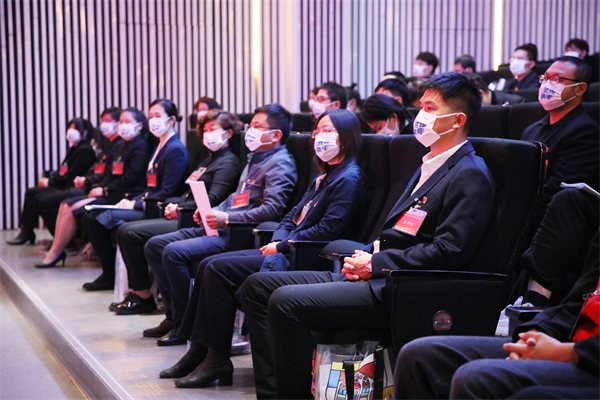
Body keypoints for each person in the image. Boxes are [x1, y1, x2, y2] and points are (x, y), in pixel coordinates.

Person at [240, 72, 496, 399]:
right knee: (258, 286)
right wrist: (365, 256)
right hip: (377, 270)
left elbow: (449, 250)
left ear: (458, 119)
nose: (421, 116)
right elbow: (399, 232)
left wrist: (375, 264)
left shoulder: (469, 173)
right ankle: (272, 392)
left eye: (431, 108)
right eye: (421, 106)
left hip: (403, 286)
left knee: (285, 301)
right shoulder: (429, 163)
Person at [159, 109, 369, 389]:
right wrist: (279, 239)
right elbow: (291, 216)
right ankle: (201, 351)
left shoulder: (349, 178)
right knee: (210, 264)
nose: (320, 136)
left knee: (217, 268)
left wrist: (282, 244)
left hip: (307, 256)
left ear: (347, 136)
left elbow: (328, 230)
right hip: (285, 247)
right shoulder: (326, 175)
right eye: (318, 131)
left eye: (328, 130)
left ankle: (215, 358)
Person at [141, 103, 297, 345]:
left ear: (275, 134)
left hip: (240, 233)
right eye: (250, 125)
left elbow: (272, 209)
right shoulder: (256, 158)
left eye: (257, 127)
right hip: (222, 225)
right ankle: (173, 316)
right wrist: (213, 211)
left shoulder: (280, 163)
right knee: (154, 245)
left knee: (173, 252)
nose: (250, 131)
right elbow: (237, 197)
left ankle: (184, 325)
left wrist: (228, 218)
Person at [394, 245, 599, 400]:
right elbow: (578, 302)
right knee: (418, 356)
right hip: (569, 339)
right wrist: (535, 334)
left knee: (475, 379)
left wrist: (568, 352)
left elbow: (451, 247)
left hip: (589, 358)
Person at [110, 110, 242, 315]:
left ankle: (152, 300)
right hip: (185, 213)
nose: (208, 134)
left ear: (229, 132)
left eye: (213, 129)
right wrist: (176, 204)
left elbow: (213, 198)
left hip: (196, 219)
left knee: (131, 233)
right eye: (205, 130)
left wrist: (180, 208)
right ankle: (142, 294)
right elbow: (189, 193)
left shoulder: (228, 162)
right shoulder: (208, 160)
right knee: (125, 230)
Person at [80, 99, 189, 291]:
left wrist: (136, 204)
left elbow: (167, 191)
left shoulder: (175, 149)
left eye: (158, 116)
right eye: (151, 116)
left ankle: (121, 281)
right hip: (147, 200)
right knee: (91, 215)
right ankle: (108, 273)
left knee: (97, 220)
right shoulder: (160, 146)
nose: (153, 120)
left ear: (172, 119)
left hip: (158, 207)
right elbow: (150, 187)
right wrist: (133, 200)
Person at [7, 118, 96, 245]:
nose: (71, 131)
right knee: (31, 192)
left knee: (43, 199)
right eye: (70, 128)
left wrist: (50, 182)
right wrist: (51, 180)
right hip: (63, 183)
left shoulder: (85, 150)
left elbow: (71, 175)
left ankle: (63, 240)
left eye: (75, 128)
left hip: (71, 186)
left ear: (85, 132)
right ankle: (26, 230)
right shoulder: (74, 148)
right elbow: (63, 171)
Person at [523, 56, 599, 206]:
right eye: (545, 78)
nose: (547, 84)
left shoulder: (585, 131)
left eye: (557, 79)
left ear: (579, 89)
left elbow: (560, 188)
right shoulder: (531, 129)